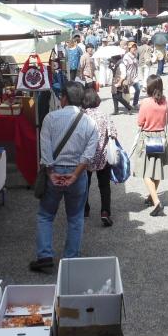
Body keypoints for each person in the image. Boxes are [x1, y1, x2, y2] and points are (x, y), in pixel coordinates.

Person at [31, 81, 99, 272]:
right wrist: (75, 175)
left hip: (55, 171)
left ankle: (45, 256)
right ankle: (71, 260)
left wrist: (51, 173)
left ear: (64, 98)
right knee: (75, 217)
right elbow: (88, 154)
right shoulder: (90, 122)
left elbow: (44, 150)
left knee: (45, 215)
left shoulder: (50, 118)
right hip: (77, 174)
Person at [135, 75, 168, 217]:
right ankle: (151, 197)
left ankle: (156, 202)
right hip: (161, 136)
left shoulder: (146, 103)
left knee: (145, 172)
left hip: (148, 137)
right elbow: (167, 120)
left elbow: (140, 122)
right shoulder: (165, 102)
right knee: (157, 169)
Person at [82, 86, 117, 227]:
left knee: (85, 184)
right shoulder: (104, 115)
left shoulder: (82, 116)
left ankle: (85, 209)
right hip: (103, 156)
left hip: (86, 157)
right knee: (104, 186)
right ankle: (105, 212)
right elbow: (113, 133)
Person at [122, 42, 141, 107]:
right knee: (127, 92)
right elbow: (124, 67)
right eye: (133, 47)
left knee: (138, 89)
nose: (134, 48)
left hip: (134, 77)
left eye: (135, 47)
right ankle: (127, 105)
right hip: (128, 77)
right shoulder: (126, 56)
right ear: (129, 48)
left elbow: (137, 65)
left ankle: (135, 103)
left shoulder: (135, 55)